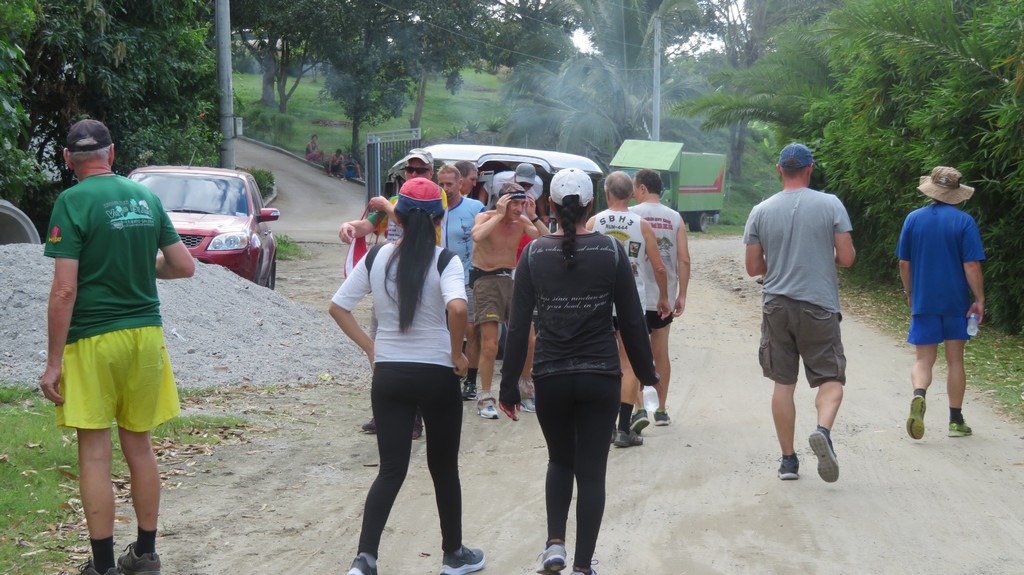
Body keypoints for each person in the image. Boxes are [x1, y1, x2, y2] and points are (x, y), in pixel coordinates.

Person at [39, 119, 196, 575]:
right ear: (111, 153)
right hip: (145, 337)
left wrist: (53, 363)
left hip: (93, 339)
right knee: (139, 446)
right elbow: (183, 266)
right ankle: (145, 555)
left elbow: (64, 290)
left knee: (94, 452)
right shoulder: (145, 198)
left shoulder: (71, 201)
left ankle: (104, 566)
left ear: (68, 159)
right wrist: (143, 265)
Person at [498, 168, 657, 575]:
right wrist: (647, 373)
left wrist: (509, 385)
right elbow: (632, 320)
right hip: (600, 376)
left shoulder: (534, 254)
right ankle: (583, 566)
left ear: (550, 205)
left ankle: (555, 544)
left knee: (559, 461)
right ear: (591, 205)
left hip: (550, 377)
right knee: (591, 473)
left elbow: (518, 326)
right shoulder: (610, 251)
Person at [330, 177, 485, 575]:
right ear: (439, 219)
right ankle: (453, 555)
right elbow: (458, 308)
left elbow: (338, 307)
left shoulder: (377, 257)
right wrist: (456, 353)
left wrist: (371, 347)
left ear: (395, 217)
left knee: (390, 469)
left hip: (390, 373)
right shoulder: (446, 260)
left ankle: (364, 559)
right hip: (437, 374)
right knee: (443, 468)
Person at [743, 143, 855, 483]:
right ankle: (823, 431)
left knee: (783, 383)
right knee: (831, 379)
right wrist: (821, 256)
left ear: (779, 170)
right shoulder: (830, 204)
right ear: (810, 169)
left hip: (776, 305)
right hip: (819, 305)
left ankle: (788, 462)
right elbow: (847, 258)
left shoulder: (760, 210)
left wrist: (777, 264)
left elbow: (753, 267)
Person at [339, 148, 439, 436]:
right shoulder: (394, 202)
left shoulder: (435, 198)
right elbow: (368, 225)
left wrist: (386, 205)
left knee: (415, 349)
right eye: (410, 170)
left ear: (430, 173)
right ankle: (385, 410)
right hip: (390, 278)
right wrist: (349, 227)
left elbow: (417, 225)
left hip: (422, 279)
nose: (415, 175)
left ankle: (415, 415)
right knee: (381, 345)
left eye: (421, 170)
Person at [897, 166, 985, 440]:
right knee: (955, 360)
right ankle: (955, 421)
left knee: (924, 360)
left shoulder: (913, 219)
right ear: (956, 193)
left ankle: (919, 394)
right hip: (955, 302)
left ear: (931, 190)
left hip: (924, 299)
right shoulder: (964, 222)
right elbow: (971, 265)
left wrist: (910, 292)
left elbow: (904, 262)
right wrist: (979, 299)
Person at [587, 171, 669, 448]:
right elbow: (659, 267)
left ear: (607, 193)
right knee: (629, 363)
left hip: (599, 303)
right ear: (632, 194)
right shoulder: (642, 225)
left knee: (603, 363)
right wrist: (663, 298)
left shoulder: (594, 222)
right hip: (631, 304)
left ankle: (606, 426)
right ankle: (624, 429)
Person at [470, 182, 548, 419]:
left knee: (530, 339)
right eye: (514, 203)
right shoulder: (485, 217)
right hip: (486, 280)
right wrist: (499, 214)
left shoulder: (521, 221)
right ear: (502, 201)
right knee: (491, 343)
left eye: (522, 203)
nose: (518, 208)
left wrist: (533, 216)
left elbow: (547, 238)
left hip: (512, 281)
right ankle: (485, 396)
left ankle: (525, 388)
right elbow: (477, 235)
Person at [630, 169, 690, 427]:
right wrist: (681, 294)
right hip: (664, 297)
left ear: (643, 188)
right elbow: (684, 259)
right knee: (661, 352)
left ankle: (640, 408)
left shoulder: (631, 214)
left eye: (635, 188)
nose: (633, 193)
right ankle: (662, 410)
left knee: (634, 353)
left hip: (635, 296)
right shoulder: (675, 217)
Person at [439, 164, 486, 401]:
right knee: (443, 331)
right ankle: (447, 376)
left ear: (460, 184)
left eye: (449, 184)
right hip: (437, 279)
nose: (445, 189)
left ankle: (471, 381)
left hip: (468, 278)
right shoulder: (434, 208)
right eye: (441, 184)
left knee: (471, 330)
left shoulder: (475, 208)